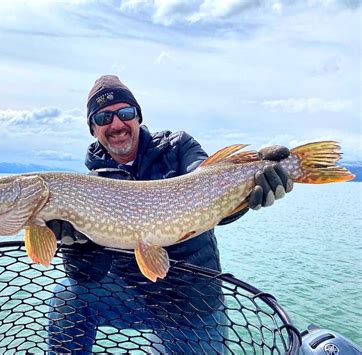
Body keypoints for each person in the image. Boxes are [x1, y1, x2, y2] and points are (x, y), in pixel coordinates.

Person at [46, 75, 292, 353]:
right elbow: (87, 276)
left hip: (193, 304)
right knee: (68, 298)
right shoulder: (87, 187)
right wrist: (73, 245)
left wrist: (249, 192)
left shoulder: (178, 147)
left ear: (137, 117)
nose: (116, 124)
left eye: (125, 113)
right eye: (103, 118)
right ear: (93, 130)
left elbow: (208, 195)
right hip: (131, 297)